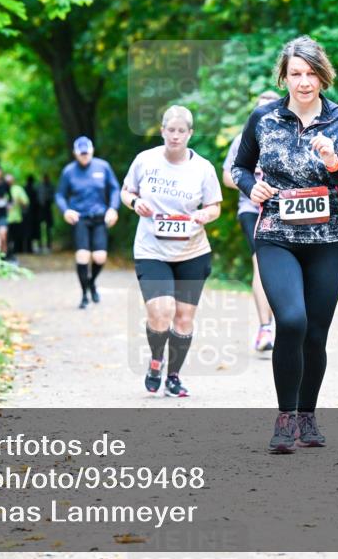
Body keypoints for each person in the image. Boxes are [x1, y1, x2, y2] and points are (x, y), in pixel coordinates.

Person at [231, 35, 338, 453]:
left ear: (322, 76)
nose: (303, 82)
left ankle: (308, 417)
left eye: (310, 74)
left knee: (315, 335)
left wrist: (333, 164)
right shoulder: (264, 118)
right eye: (295, 74)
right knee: (291, 321)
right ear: (284, 77)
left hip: (327, 239)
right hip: (276, 235)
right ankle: (284, 418)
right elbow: (239, 166)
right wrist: (252, 186)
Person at [121, 105, 222, 398]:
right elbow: (126, 191)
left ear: (189, 134)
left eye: (181, 131)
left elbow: (215, 206)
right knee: (160, 311)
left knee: (183, 319)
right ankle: (156, 361)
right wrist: (133, 203)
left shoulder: (203, 168)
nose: (175, 136)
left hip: (193, 251)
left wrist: (206, 215)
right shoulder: (145, 160)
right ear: (162, 131)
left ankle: (174, 376)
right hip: (152, 249)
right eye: (170, 130)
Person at [223, 90, 281, 353]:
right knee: (261, 263)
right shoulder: (242, 139)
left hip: (285, 210)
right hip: (252, 209)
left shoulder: (287, 135)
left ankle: (287, 324)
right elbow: (227, 176)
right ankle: (265, 327)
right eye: (260, 110)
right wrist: (252, 185)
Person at [56, 137, 121, 309]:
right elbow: (60, 195)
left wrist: (113, 208)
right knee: (83, 256)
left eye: (87, 153)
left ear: (92, 151)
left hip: (100, 217)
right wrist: (66, 210)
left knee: (100, 257)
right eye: (81, 153)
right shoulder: (69, 171)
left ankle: (91, 283)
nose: (84, 156)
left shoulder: (103, 167)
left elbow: (115, 189)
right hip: (80, 218)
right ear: (75, 153)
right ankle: (84, 294)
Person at [5, 173, 29, 262]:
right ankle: (6, 255)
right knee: (5, 238)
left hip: (15, 218)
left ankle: (12, 255)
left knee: (14, 239)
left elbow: (26, 203)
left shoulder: (18, 189)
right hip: (4, 219)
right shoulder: (2, 188)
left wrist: (19, 201)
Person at [36, 173, 56, 254]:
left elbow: (53, 197)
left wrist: (47, 200)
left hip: (48, 209)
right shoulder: (39, 187)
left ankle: (48, 245)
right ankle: (40, 245)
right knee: (39, 229)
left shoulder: (51, 187)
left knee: (48, 229)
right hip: (40, 210)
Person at [24, 174, 41, 254]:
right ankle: (28, 248)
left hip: (26, 214)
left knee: (27, 231)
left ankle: (27, 248)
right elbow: (37, 203)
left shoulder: (25, 189)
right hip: (31, 214)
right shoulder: (33, 190)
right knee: (29, 231)